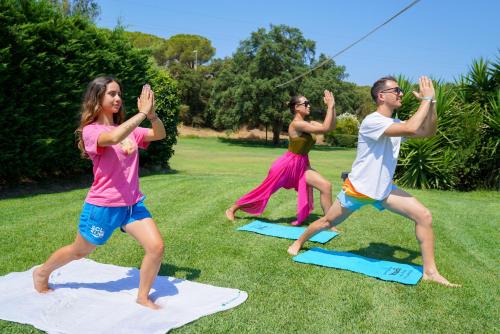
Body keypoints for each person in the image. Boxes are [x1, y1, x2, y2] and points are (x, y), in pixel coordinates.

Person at [288, 76, 460, 287]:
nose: (401, 93)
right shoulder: (372, 121)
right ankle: (298, 242)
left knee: (424, 216)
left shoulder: (394, 123)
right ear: (381, 96)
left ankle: (430, 271)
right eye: (396, 90)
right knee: (327, 222)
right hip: (358, 190)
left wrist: (431, 103)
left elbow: (427, 131)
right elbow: (411, 128)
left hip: (383, 191)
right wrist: (426, 99)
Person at [33, 76, 168, 309]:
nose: (118, 98)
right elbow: (114, 138)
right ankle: (42, 272)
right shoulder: (91, 131)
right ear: (97, 98)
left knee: (156, 247)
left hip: (132, 205)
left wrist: (152, 115)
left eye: (119, 94)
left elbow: (159, 135)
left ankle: (142, 296)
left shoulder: (128, 129)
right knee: (79, 251)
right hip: (103, 206)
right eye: (111, 94)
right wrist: (142, 114)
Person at [226, 90, 337, 228]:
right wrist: (330, 106)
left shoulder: (310, 123)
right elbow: (325, 128)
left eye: (309, 104)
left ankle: (330, 223)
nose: (309, 106)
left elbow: (330, 127)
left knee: (326, 186)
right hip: (286, 166)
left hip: (302, 165)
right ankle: (232, 209)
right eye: (306, 103)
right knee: (264, 191)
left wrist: (333, 107)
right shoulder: (297, 124)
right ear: (297, 107)